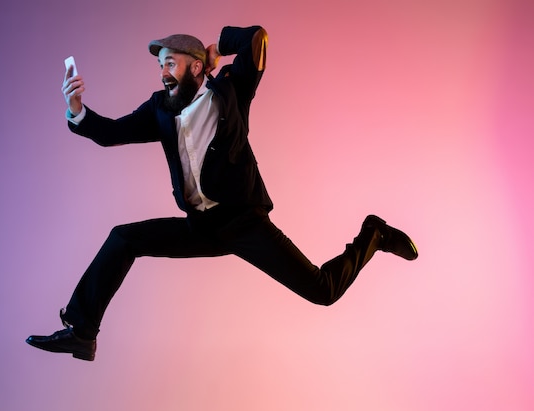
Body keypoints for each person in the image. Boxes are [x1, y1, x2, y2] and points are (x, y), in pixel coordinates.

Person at [26, 25, 418, 361]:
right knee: (123, 238)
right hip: (201, 226)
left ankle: (374, 233)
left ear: (195, 66)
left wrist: (220, 46)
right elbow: (111, 133)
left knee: (322, 291)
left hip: (244, 221)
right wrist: (76, 109)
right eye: (160, 64)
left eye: (170, 63)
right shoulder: (160, 109)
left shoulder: (230, 90)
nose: (162, 73)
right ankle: (82, 331)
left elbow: (258, 38)